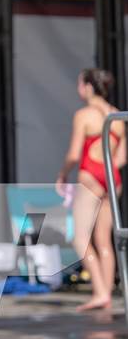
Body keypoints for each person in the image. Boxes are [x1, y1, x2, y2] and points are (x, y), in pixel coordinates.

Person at [56, 68, 127, 311]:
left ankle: (99, 291)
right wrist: (106, 173)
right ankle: (106, 292)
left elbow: (75, 154)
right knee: (104, 240)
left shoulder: (84, 115)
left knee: (80, 238)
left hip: (90, 176)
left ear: (88, 87)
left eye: (79, 84)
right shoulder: (117, 115)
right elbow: (122, 157)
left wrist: (63, 174)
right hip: (111, 177)